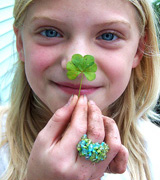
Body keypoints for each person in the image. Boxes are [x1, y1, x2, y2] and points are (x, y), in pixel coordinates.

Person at [0, 0, 160, 179]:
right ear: (20, 42)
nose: (73, 62)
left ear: (139, 49)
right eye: (50, 32)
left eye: (108, 36)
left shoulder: (156, 151)